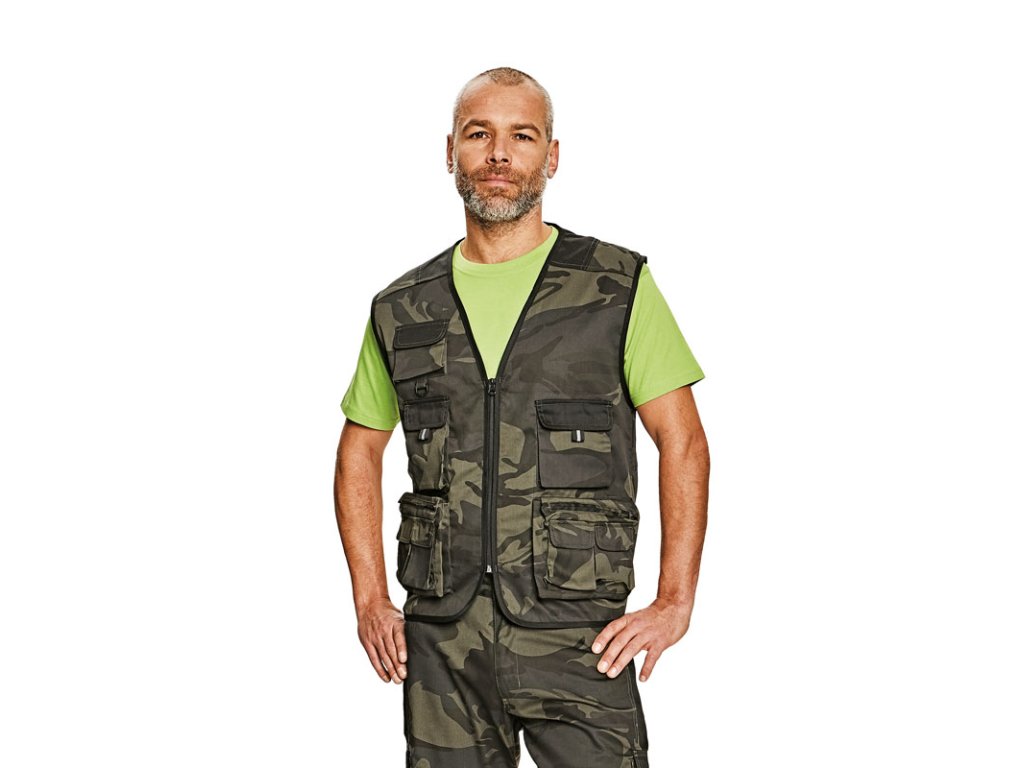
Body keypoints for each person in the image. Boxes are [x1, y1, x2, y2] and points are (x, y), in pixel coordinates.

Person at [334, 66, 710, 768]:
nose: (499, 154)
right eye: (479, 135)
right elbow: (360, 449)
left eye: (522, 136)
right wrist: (369, 599)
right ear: (451, 152)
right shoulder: (403, 306)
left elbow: (682, 439)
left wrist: (675, 600)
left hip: (580, 637)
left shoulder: (615, 286)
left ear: (552, 156)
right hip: (443, 642)